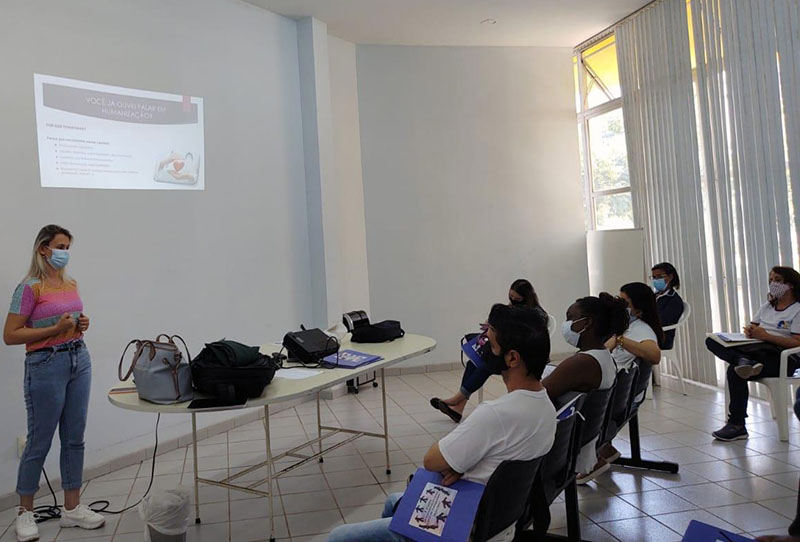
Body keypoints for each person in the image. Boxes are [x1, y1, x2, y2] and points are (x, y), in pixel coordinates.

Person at [328, 304, 556, 542]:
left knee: (338, 537)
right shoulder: (546, 408)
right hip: (499, 520)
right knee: (393, 501)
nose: (481, 346)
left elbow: (432, 461)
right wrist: (462, 465)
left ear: (512, 358)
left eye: (489, 342)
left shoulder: (495, 414)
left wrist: (459, 465)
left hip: (461, 522)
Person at [3, 225, 104, 542]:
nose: (65, 253)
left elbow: (68, 320)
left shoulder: (70, 283)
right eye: (60, 246)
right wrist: (52, 330)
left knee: (75, 437)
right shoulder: (29, 288)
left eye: (68, 247)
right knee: (39, 441)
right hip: (46, 365)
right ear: (43, 249)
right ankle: (24, 513)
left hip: (78, 358)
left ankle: (72, 509)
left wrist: (81, 323)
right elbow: (10, 335)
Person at [577, 283, 663, 483]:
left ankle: (592, 457)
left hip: (616, 397)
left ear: (638, 309)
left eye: (624, 302)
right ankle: (604, 448)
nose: (619, 304)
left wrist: (621, 341)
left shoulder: (641, 330)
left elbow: (654, 355)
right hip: (618, 393)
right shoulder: (629, 327)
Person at [430, 279, 547, 423]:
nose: (512, 301)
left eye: (517, 299)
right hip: (503, 350)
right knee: (474, 362)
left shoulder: (536, 315)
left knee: (484, 366)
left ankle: (456, 400)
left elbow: (525, 338)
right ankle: (458, 407)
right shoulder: (511, 310)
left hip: (519, 357)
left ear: (526, 297)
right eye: (511, 297)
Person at [707, 266, 800, 441]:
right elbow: (754, 326)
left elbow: (797, 342)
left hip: (782, 357)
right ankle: (743, 360)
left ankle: (737, 425)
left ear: (791, 284)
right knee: (712, 340)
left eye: (778, 280)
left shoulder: (798, 309)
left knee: (734, 371)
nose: (773, 283)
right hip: (756, 350)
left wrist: (767, 336)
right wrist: (751, 331)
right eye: (771, 279)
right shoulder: (768, 306)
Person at [541, 293, 629, 475]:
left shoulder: (583, 362)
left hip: (561, 449)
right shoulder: (603, 355)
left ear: (587, 323)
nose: (566, 325)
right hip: (581, 439)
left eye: (570, 318)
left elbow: (536, 396)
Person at [651, 262, 684, 350]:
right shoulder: (653, 296)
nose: (656, 280)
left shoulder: (674, 301)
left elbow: (662, 321)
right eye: (654, 277)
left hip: (662, 338)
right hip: (648, 333)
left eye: (660, 277)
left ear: (670, 277)